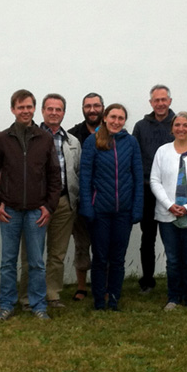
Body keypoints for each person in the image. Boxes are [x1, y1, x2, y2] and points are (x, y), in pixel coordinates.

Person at [0, 90, 62, 321]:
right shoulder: (2, 139)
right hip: (9, 211)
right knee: (8, 262)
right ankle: (6, 304)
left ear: (34, 108)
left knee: (36, 262)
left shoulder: (44, 139)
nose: (25, 111)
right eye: (20, 107)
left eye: (29, 107)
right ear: (13, 109)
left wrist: (49, 206)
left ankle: (38, 305)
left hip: (37, 211)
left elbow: (54, 176)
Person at [78, 103, 144, 311]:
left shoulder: (131, 142)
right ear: (105, 118)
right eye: (113, 117)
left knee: (117, 258)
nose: (116, 121)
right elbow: (85, 176)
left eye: (120, 118)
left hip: (123, 212)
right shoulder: (93, 141)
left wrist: (137, 208)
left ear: (124, 121)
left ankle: (114, 298)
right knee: (100, 257)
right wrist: (87, 207)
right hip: (100, 212)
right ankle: (99, 300)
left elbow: (137, 177)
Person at [19, 93, 81, 308]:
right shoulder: (29, 137)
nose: (54, 113)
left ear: (64, 112)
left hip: (64, 203)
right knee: (31, 254)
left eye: (58, 109)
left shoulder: (72, 141)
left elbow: (76, 171)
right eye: (50, 109)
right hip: (36, 204)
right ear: (42, 111)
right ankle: (27, 297)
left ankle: (52, 294)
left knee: (57, 254)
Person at [149, 111, 187, 311]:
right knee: (173, 259)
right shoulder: (162, 152)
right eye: (177, 125)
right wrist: (169, 205)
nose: (181, 128)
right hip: (168, 214)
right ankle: (173, 297)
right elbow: (154, 181)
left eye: (185, 125)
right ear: (172, 129)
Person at [132, 84, 176, 293]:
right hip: (147, 190)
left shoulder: (179, 124)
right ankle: (147, 281)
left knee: (173, 238)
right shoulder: (141, 127)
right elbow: (134, 157)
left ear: (169, 101)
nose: (160, 103)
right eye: (156, 100)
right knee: (148, 237)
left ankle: (176, 280)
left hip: (172, 192)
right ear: (151, 103)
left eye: (163, 99)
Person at [67, 92, 104, 301]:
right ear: (83, 109)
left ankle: (104, 285)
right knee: (81, 245)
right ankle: (81, 287)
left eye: (96, 105)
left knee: (104, 245)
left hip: (105, 200)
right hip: (80, 201)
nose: (92, 110)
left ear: (102, 108)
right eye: (88, 106)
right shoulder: (72, 135)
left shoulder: (112, 133)